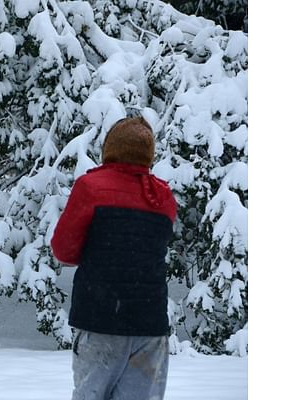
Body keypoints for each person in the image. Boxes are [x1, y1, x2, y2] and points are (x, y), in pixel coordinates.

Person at [50, 117, 177, 400]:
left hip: (100, 321)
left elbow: (63, 250)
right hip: (150, 325)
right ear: (148, 153)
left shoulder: (91, 187)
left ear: (110, 148)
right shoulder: (163, 195)